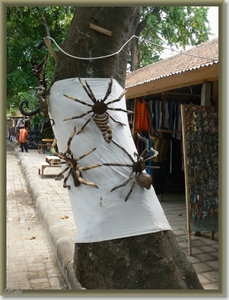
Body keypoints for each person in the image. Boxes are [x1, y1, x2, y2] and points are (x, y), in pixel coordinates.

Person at [149, 127, 170, 202]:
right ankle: (160, 196)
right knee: (162, 179)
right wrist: (156, 132)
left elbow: (150, 135)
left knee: (155, 179)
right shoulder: (167, 141)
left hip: (156, 162)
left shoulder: (157, 139)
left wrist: (152, 129)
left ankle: (157, 195)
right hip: (164, 162)